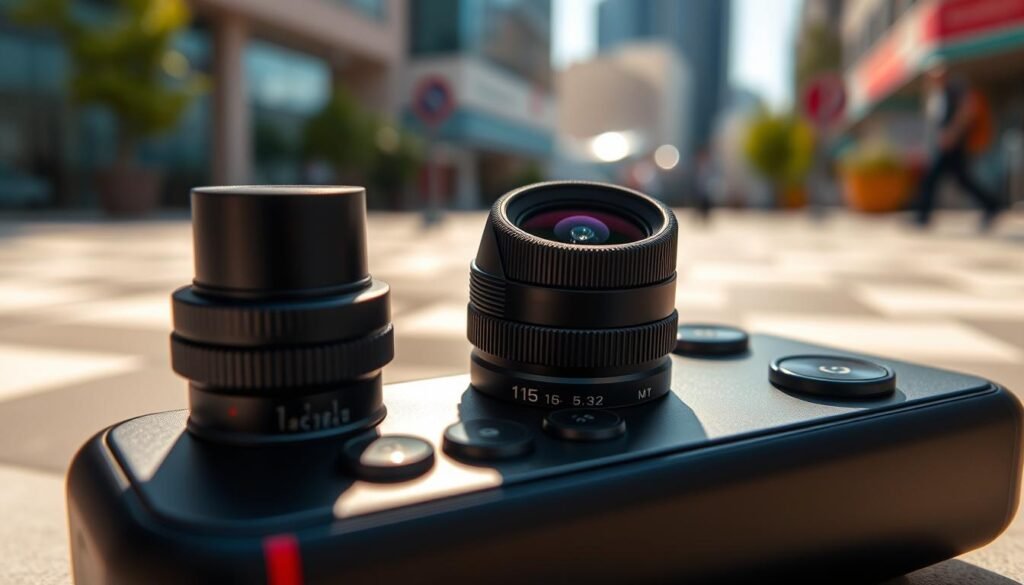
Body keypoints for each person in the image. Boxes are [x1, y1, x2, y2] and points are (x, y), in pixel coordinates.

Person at [914, 64, 1003, 230]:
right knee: (961, 180)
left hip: (954, 144)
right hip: (949, 144)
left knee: (932, 178)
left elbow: (968, 110)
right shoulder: (940, 94)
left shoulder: (954, 88)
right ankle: (991, 204)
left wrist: (952, 133)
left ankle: (922, 216)